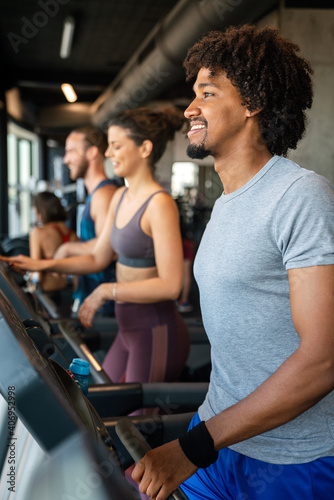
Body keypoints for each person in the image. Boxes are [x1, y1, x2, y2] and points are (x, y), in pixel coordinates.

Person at [129, 25, 334, 500]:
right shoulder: (226, 203)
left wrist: (195, 446)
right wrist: (206, 435)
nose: (190, 108)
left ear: (252, 103)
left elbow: (323, 359)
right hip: (220, 435)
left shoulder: (301, 197)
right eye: (193, 94)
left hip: (290, 462)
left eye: (207, 92)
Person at [3, 107, 190, 390]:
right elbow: (96, 258)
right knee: (96, 403)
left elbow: (171, 285)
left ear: (145, 148)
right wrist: (40, 264)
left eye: (116, 146)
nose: (109, 154)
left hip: (155, 329)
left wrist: (105, 291)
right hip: (128, 328)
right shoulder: (120, 197)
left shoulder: (159, 204)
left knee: (139, 422)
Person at [54, 126, 121, 316]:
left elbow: (110, 249)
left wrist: (66, 249)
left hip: (103, 305)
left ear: (92, 152)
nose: (66, 159)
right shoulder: (96, 194)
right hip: (91, 297)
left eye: (71, 151)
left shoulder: (104, 195)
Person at [29, 191, 78, 292]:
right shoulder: (72, 235)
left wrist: (29, 287)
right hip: (68, 293)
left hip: (47, 295)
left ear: (40, 211)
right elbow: (77, 274)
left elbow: (37, 271)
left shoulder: (38, 233)